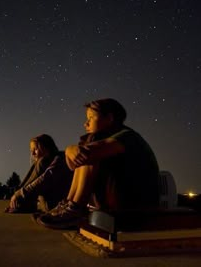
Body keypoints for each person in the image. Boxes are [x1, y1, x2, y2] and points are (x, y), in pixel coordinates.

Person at [36, 98, 160, 229]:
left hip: (136, 207)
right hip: (122, 203)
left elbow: (86, 155)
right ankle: (69, 204)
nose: (86, 123)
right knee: (88, 146)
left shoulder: (127, 136)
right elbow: (72, 164)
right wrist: (70, 150)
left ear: (110, 118)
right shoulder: (108, 138)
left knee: (90, 146)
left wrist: (73, 149)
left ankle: (75, 208)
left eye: (91, 117)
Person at [5, 134, 73, 213]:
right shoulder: (46, 161)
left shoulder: (59, 159)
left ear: (46, 147)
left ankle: (21, 203)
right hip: (51, 206)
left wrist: (19, 194)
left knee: (41, 161)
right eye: (31, 150)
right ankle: (21, 202)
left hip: (57, 206)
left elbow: (45, 179)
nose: (33, 153)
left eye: (36, 149)